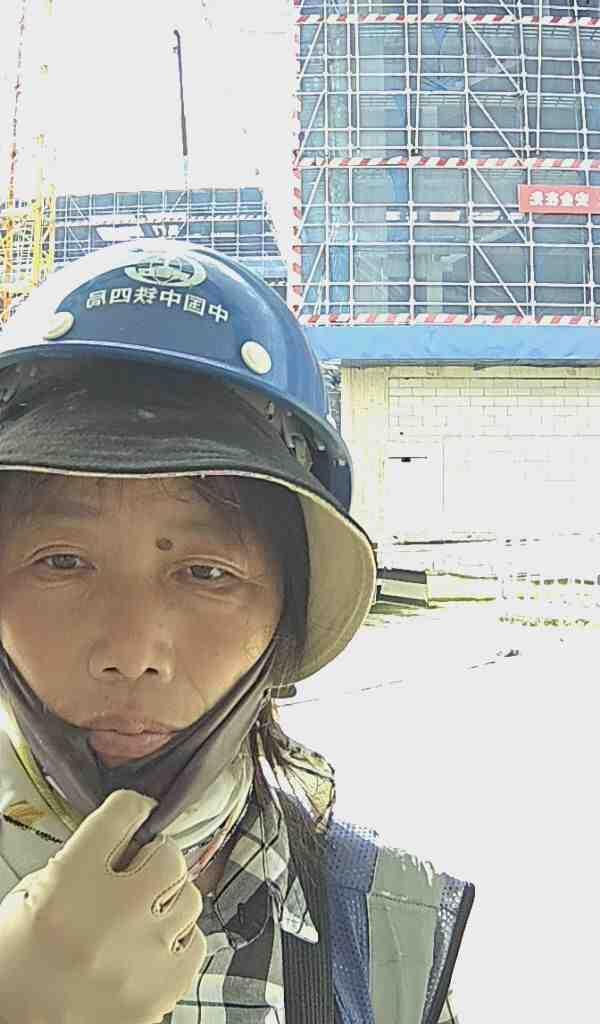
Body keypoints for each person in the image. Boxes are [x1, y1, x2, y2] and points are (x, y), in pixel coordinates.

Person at [0, 240, 474, 1024]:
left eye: (205, 572)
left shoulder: (389, 936)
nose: (133, 654)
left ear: (287, 613)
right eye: (62, 561)